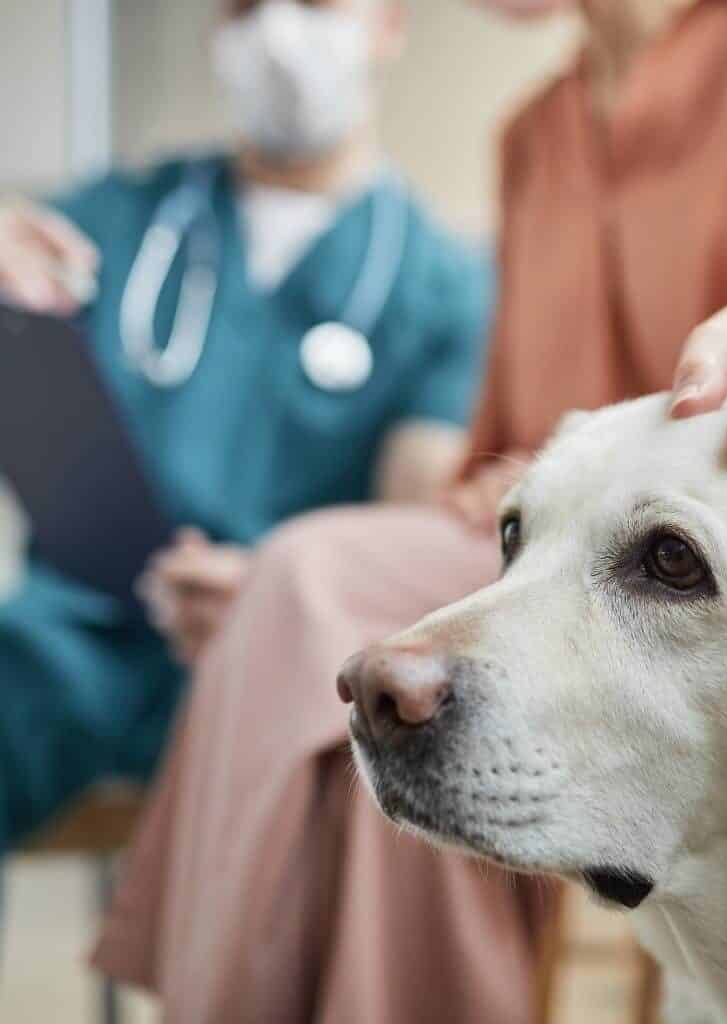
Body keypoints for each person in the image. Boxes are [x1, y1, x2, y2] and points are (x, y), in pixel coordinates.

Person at [94, 0, 727, 1021]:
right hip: (535, 543)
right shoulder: (530, 134)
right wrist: (316, 585)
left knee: (313, 591)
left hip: (715, 554)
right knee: (306, 605)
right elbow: (504, 454)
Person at [0, 0, 491, 856]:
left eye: (314, 5)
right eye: (246, 6)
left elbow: (401, 533)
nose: (278, 32)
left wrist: (276, 593)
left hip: (283, 661)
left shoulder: (443, 285)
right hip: (71, 648)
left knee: (342, 823)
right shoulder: (119, 218)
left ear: (388, 25)